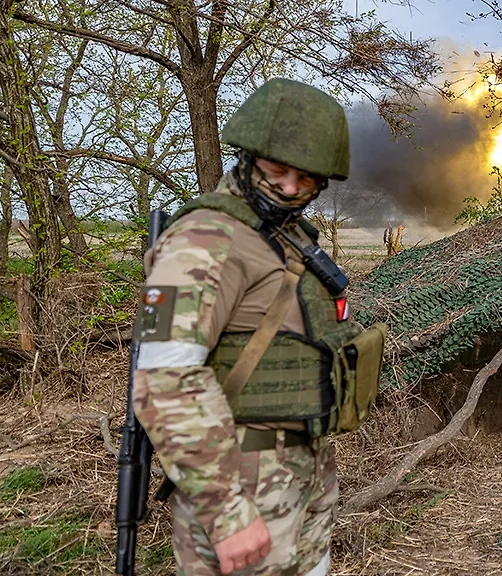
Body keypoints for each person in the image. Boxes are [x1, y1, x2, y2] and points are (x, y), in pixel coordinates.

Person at [132, 78, 358, 576]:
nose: (291, 187)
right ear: (249, 154)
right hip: (241, 483)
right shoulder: (205, 239)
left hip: (298, 476)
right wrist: (226, 511)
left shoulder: (286, 236)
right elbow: (166, 381)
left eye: (309, 178)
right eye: (278, 169)